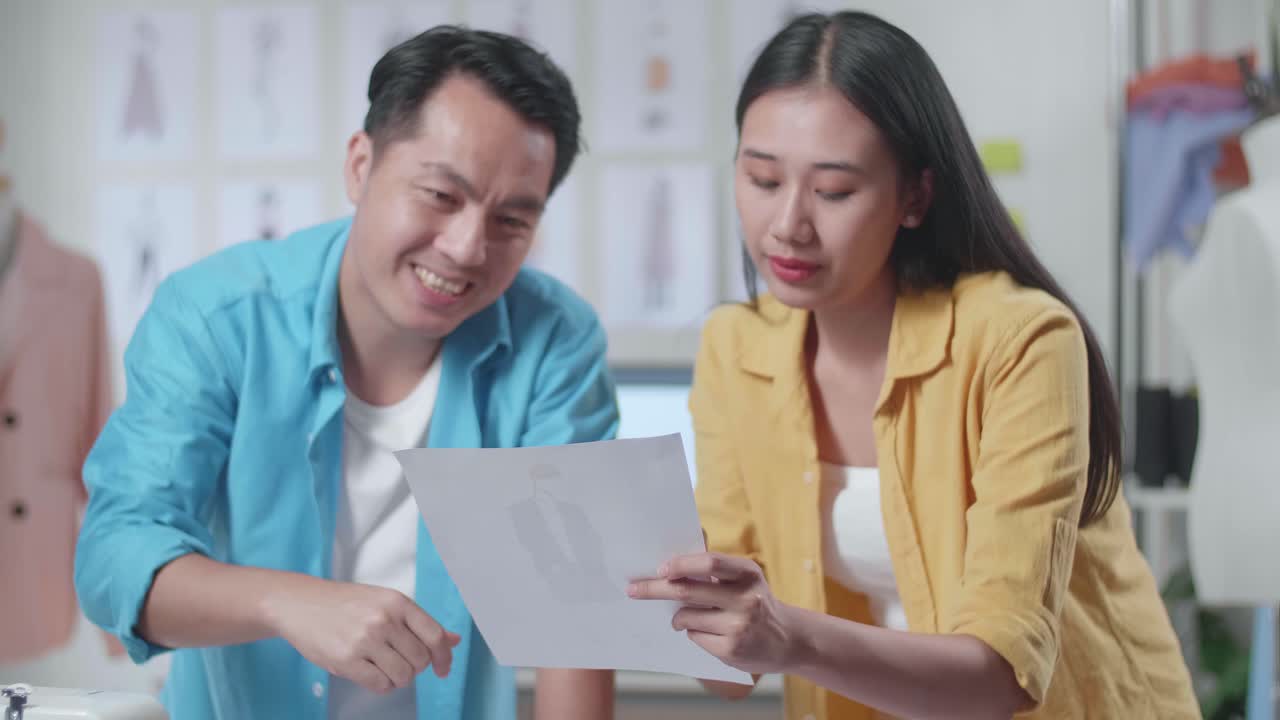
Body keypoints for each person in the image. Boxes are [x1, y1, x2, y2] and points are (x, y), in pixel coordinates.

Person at [628, 11, 1198, 720]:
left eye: (833, 191)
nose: (787, 224)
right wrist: (670, 602)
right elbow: (729, 671)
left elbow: (1002, 675)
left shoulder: (1021, 341)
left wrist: (785, 636)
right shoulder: (735, 350)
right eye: (763, 178)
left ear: (916, 197)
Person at [77, 26, 617, 720]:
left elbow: (573, 616)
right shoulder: (218, 316)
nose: (466, 248)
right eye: (440, 196)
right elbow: (114, 558)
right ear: (361, 166)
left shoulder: (555, 342)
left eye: (511, 220)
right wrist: (287, 600)